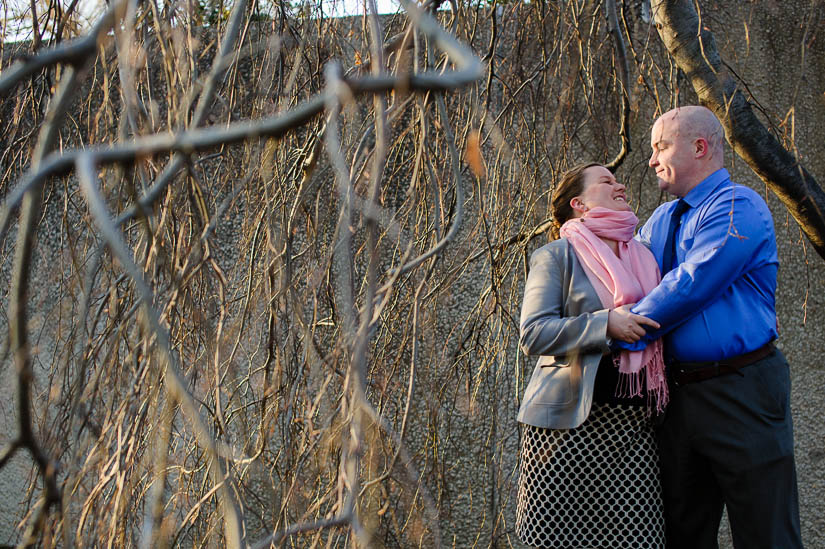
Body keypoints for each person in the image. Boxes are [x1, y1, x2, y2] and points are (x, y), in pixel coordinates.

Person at [617, 105, 803, 548]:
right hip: (675, 400)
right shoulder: (661, 220)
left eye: (661, 146)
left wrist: (620, 330)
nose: (651, 159)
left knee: (767, 533)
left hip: (742, 392)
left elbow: (691, 284)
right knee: (682, 535)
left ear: (699, 147)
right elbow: (623, 278)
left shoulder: (739, 206)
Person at [515, 162, 667, 548]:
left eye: (618, 180)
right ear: (579, 203)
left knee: (638, 540)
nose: (620, 186)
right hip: (565, 430)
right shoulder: (556, 256)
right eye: (607, 181)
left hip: (633, 431)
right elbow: (534, 333)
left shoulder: (646, 256)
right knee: (554, 540)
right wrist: (605, 324)